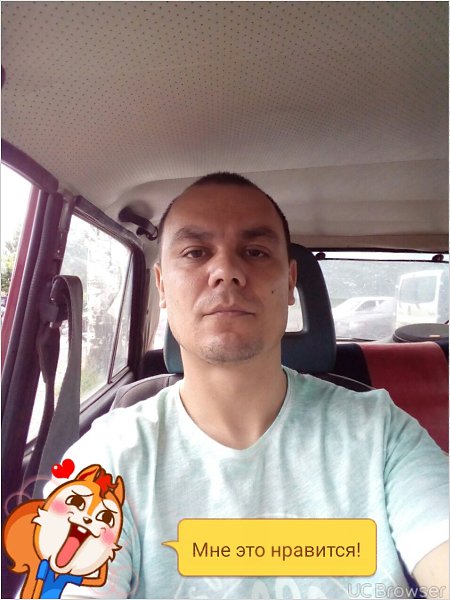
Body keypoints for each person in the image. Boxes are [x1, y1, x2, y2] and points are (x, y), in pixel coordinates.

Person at [59, 173, 448, 599]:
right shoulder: (104, 459)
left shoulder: (383, 433)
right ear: (162, 285)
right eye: (195, 252)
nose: (226, 271)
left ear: (290, 283)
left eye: (256, 252)